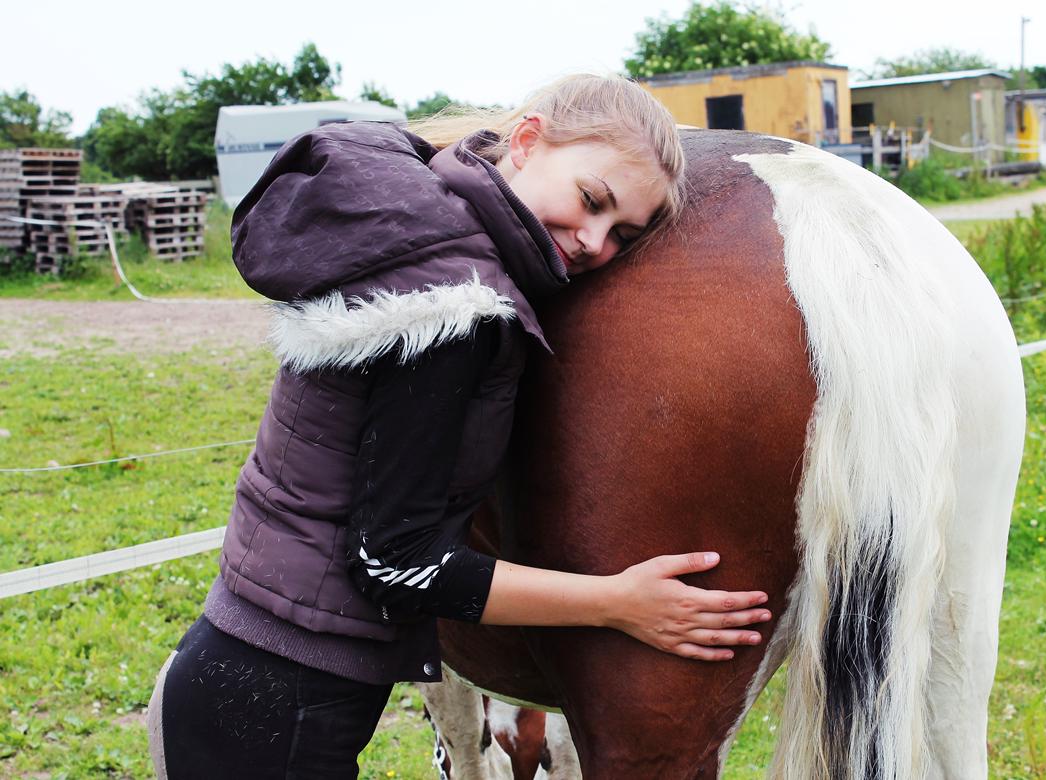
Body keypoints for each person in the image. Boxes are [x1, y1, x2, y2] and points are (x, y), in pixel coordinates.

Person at [146, 74, 772, 779]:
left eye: (622, 234)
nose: (594, 240)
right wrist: (618, 603)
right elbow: (396, 562)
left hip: (249, 683)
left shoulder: (422, 235)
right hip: (270, 718)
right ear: (529, 142)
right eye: (592, 199)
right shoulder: (455, 308)